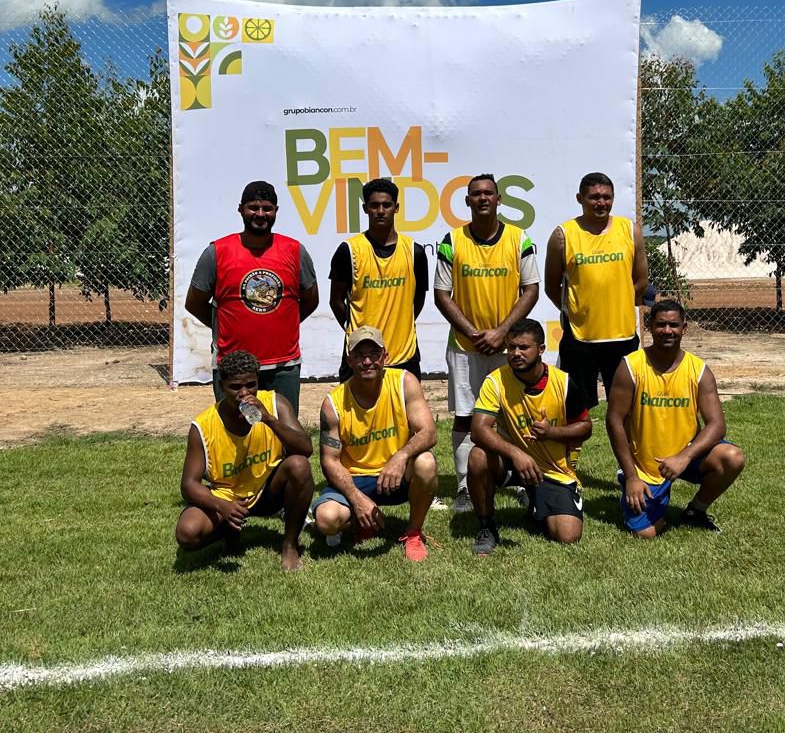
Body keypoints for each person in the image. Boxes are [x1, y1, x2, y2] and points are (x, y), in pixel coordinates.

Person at [434, 173, 540, 513]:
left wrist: (502, 333)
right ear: (467, 201)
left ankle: (519, 481)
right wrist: (474, 333)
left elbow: (531, 289)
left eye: (489, 193)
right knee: (466, 417)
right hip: (465, 348)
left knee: (511, 415)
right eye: (476, 194)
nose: (483, 198)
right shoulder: (452, 240)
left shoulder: (519, 238)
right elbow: (441, 295)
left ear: (498, 199)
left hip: (507, 347)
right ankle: (464, 486)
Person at [604, 300, 745, 536]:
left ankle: (696, 511)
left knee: (732, 457)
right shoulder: (631, 366)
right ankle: (639, 491)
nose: (667, 330)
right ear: (650, 327)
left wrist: (684, 457)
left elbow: (717, 425)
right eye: (661, 325)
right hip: (645, 465)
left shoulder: (698, 370)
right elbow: (614, 421)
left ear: (684, 328)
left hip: (686, 456)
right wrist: (631, 477)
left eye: (674, 325)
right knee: (646, 533)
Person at [184, 181, 318, 412]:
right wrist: (225, 326)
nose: (260, 214)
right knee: (237, 429)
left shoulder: (295, 250)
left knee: (282, 427)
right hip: (233, 367)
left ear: (276, 211)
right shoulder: (217, 252)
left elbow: (311, 299)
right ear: (240, 209)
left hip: (283, 365)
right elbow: (194, 302)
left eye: (267, 208)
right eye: (253, 207)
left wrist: (281, 324)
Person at [175, 349, 315, 570]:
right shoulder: (203, 425)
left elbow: (305, 448)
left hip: (267, 491)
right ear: (222, 386)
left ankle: (289, 545)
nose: (244, 393)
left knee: (299, 465)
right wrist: (221, 505)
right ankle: (229, 529)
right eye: (235, 387)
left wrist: (269, 420)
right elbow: (189, 485)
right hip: (228, 495)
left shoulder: (275, 403)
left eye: (250, 385)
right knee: (188, 533)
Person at [313, 325, 438, 561]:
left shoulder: (404, 382)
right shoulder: (333, 403)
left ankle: (413, 533)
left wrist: (400, 457)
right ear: (349, 361)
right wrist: (356, 497)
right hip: (355, 478)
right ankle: (358, 519)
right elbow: (329, 461)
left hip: (395, 474)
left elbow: (429, 432)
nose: (368, 361)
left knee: (426, 462)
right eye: (360, 355)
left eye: (374, 354)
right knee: (327, 520)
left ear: (385, 357)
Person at [468, 318, 593, 555]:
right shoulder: (495, 381)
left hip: (553, 469)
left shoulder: (563, 382)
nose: (516, 353)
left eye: (524, 347)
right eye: (511, 347)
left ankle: (537, 500)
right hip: (512, 463)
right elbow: (478, 430)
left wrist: (552, 432)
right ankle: (486, 527)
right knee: (478, 456)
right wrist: (516, 453)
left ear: (541, 349)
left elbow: (586, 428)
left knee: (568, 535)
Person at [545, 171, 648, 408]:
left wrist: (618, 303)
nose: (601, 203)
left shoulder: (630, 230)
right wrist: (577, 311)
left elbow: (641, 281)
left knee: (626, 408)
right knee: (576, 409)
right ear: (579, 198)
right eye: (594, 197)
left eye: (607, 197)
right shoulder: (563, 235)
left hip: (622, 337)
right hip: (580, 339)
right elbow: (551, 286)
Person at [329, 178, 428, 381]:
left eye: (386, 205)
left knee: (408, 403)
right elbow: (336, 300)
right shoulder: (349, 250)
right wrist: (355, 332)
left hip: (403, 354)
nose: (380, 211)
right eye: (374, 205)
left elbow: (417, 301)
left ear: (396, 208)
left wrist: (401, 325)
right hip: (360, 357)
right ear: (365, 209)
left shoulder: (414, 252)